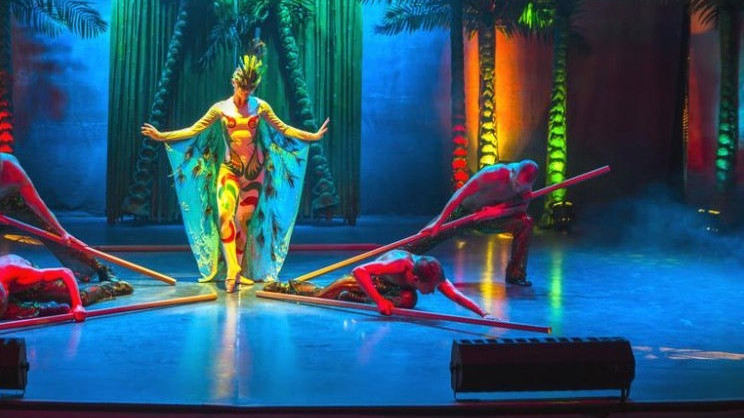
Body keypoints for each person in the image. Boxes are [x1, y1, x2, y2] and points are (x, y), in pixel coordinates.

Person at [141, 44, 328, 293]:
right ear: (234, 83)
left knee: (243, 221)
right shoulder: (221, 108)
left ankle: (237, 270)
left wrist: (312, 136)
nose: (246, 92)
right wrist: (162, 135)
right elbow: (194, 130)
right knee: (223, 215)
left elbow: (283, 128)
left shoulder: (260, 106)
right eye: (242, 87)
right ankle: (232, 270)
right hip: (229, 169)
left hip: (254, 172)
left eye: (250, 88)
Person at [0, 149, 123, 289]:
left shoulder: (14, 171)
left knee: (53, 234)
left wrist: (62, 232)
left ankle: (99, 269)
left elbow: (37, 204)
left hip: (15, 201)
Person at [264, 250, 496, 319]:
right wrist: (378, 301)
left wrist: (484, 313)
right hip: (371, 281)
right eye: (431, 287)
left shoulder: (432, 273)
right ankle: (287, 287)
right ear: (415, 279)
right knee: (322, 296)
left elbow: (454, 294)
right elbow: (360, 271)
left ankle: (357, 298)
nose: (435, 291)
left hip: (392, 288)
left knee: (409, 299)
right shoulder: (399, 264)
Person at [413, 160, 539, 286]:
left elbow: (521, 208)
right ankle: (401, 260)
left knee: (525, 222)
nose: (518, 189)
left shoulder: (525, 185)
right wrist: (439, 222)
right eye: (516, 184)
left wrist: (498, 212)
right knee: (428, 234)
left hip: (489, 220)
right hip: (463, 214)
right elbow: (461, 193)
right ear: (512, 172)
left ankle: (516, 275)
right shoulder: (493, 174)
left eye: (522, 187)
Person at [0, 254, 133, 321]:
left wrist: (77, 305)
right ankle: (50, 311)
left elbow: (65, 272)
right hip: (10, 290)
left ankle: (112, 285)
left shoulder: (24, 275)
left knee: (78, 297)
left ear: (8, 294)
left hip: (34, 286)